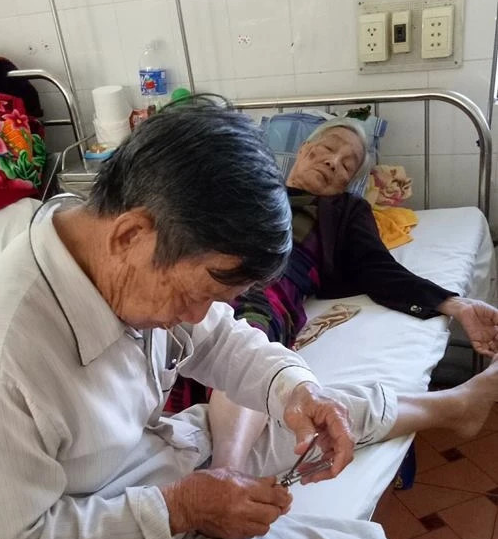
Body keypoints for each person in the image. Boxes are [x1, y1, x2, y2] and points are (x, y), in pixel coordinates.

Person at [0, 99, 495, 539]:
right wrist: (181, 509)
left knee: (326, 405)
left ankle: (451, 407)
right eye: (201, 292)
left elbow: (220, 339)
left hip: (151, 459)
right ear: (131, 235)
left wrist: (296, 391)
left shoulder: (119, 254)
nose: (196, 315)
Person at [177, 116, 498, 470]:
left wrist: (456, 305)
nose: (334, 162)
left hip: (266, 284)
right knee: (169, 333)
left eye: (347, 165)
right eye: (328, 149)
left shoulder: (343, 210)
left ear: (348, 182)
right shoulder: (252, 186)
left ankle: (227, 473)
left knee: (248, 335)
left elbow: (377, 268)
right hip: (201, 267)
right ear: (304, 150)